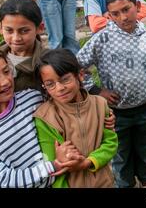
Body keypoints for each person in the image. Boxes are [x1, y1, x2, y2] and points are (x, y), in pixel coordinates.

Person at [77, 0, 146, 188]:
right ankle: (125, 184)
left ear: (136, 6)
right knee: (120, 152)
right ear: (108, 15)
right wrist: (97, 91)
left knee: (144, 148)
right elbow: (78, 66)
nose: (123, 17)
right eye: (115, 13)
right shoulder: (102, 39)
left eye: (126, 9)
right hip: (115, 114)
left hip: (145, 109)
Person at [0, 47, 79, 187]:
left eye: (6, 71)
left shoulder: (33, 99)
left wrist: (99, 116)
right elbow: (5, 180)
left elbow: (68, 114)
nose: (6, 81)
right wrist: (55, 165)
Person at [34, 48, 118, 188]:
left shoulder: (100, 104)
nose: (59, 88)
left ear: (80, 75)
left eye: (65, 79)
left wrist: (89, 162)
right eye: (50, 84)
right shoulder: (45, 118)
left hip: (104, 183)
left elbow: (111, 143)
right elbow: (54, 166)